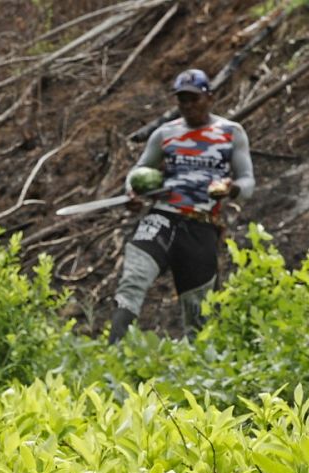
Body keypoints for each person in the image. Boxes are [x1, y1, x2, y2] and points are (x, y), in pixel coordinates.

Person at [108, 68, 255, 343]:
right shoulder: (165, 134)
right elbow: (139, 170)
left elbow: (248, 181)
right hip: (163, 217)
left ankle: (197, 373)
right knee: (133, 279)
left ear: (209, 98)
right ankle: (111, 354)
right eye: (182, 100)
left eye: (194, 99)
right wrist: (133, 192)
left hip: (201, 226)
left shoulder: (231, 133)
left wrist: (232, 189)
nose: (188, 106)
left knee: (200, 310)